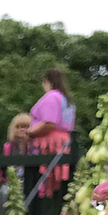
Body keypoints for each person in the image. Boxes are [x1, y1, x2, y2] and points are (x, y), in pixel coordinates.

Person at [25, 68, 75, 197]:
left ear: (47, 81)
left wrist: (30, 131)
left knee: (43, 180)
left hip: (50, 145)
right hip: (64, 143)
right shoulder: (66, 99)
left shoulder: (51, 97)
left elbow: (49, 124)